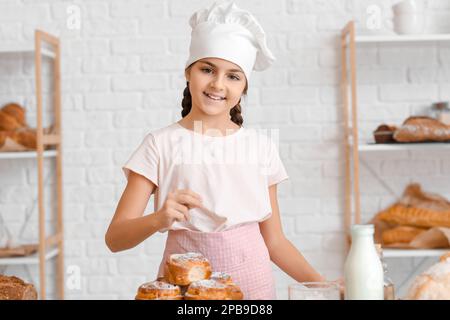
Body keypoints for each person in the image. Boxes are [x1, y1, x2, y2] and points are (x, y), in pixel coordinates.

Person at [106, 1, 337, 299]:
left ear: (244, 87)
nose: (217, 84)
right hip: (186, 293)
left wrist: (325, 285)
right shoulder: (159, 145)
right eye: (207, 69)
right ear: (188, 72)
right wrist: (159, 219)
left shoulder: (260, 148)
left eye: (233, 76)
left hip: (255, 290)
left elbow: (275, 242)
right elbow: (115, 238)